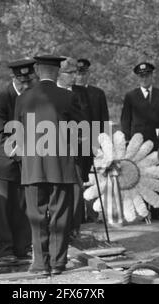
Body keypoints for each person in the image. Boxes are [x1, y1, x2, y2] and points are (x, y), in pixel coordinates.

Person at [14, 55, 84, 276]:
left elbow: (16, 133)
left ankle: (40, 264)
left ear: (37, 71)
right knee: (60, 215)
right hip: (61, 166)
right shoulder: (67, 97)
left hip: (32, 166)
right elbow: (79, 131)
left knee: (36, 217)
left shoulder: (23, 99)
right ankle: (57, 262)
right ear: (56, 72)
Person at [0, 59, 35, 262]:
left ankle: (22, 247)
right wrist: (22, 153)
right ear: (14, 78)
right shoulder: (0, 99)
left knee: (22, 206)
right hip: (1, 163)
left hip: (23, 161)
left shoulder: (32, 97)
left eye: (29, 79)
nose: (26, 84)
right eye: (22, 80)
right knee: (3, 210)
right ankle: (5, 251)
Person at [121, 62, 159, 221]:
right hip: (138, 145)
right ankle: (143, 212)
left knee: (156, 176)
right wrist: (128, 141)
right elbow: (125, 120)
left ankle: (156, 210)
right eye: (141, 76)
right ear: (138, 77)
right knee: (140, 176)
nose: (144, 78)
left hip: (157, 143)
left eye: (147, 75)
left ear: (151, 76)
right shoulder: (131, 96)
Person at [57, 57, 90, 237]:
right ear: (59, 74)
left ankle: (74, 228)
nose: (74, 76)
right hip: (51, 149)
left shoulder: (82, 93)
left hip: (76, 148)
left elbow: (85, 120)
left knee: (77, 187)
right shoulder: (50, 92)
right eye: (70, 73)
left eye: (75, 73)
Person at [75, 58, 110, 223]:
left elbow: (104, 119)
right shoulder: (69, 93)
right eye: (77, 73)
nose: (80, 76)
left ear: (88, 74)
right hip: (75, 142)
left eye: (83, 73)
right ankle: (78, 215)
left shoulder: (97, 93)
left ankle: (93, 213)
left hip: (95, 141)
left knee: (94, 180)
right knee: (77, 178)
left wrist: (105, 143)